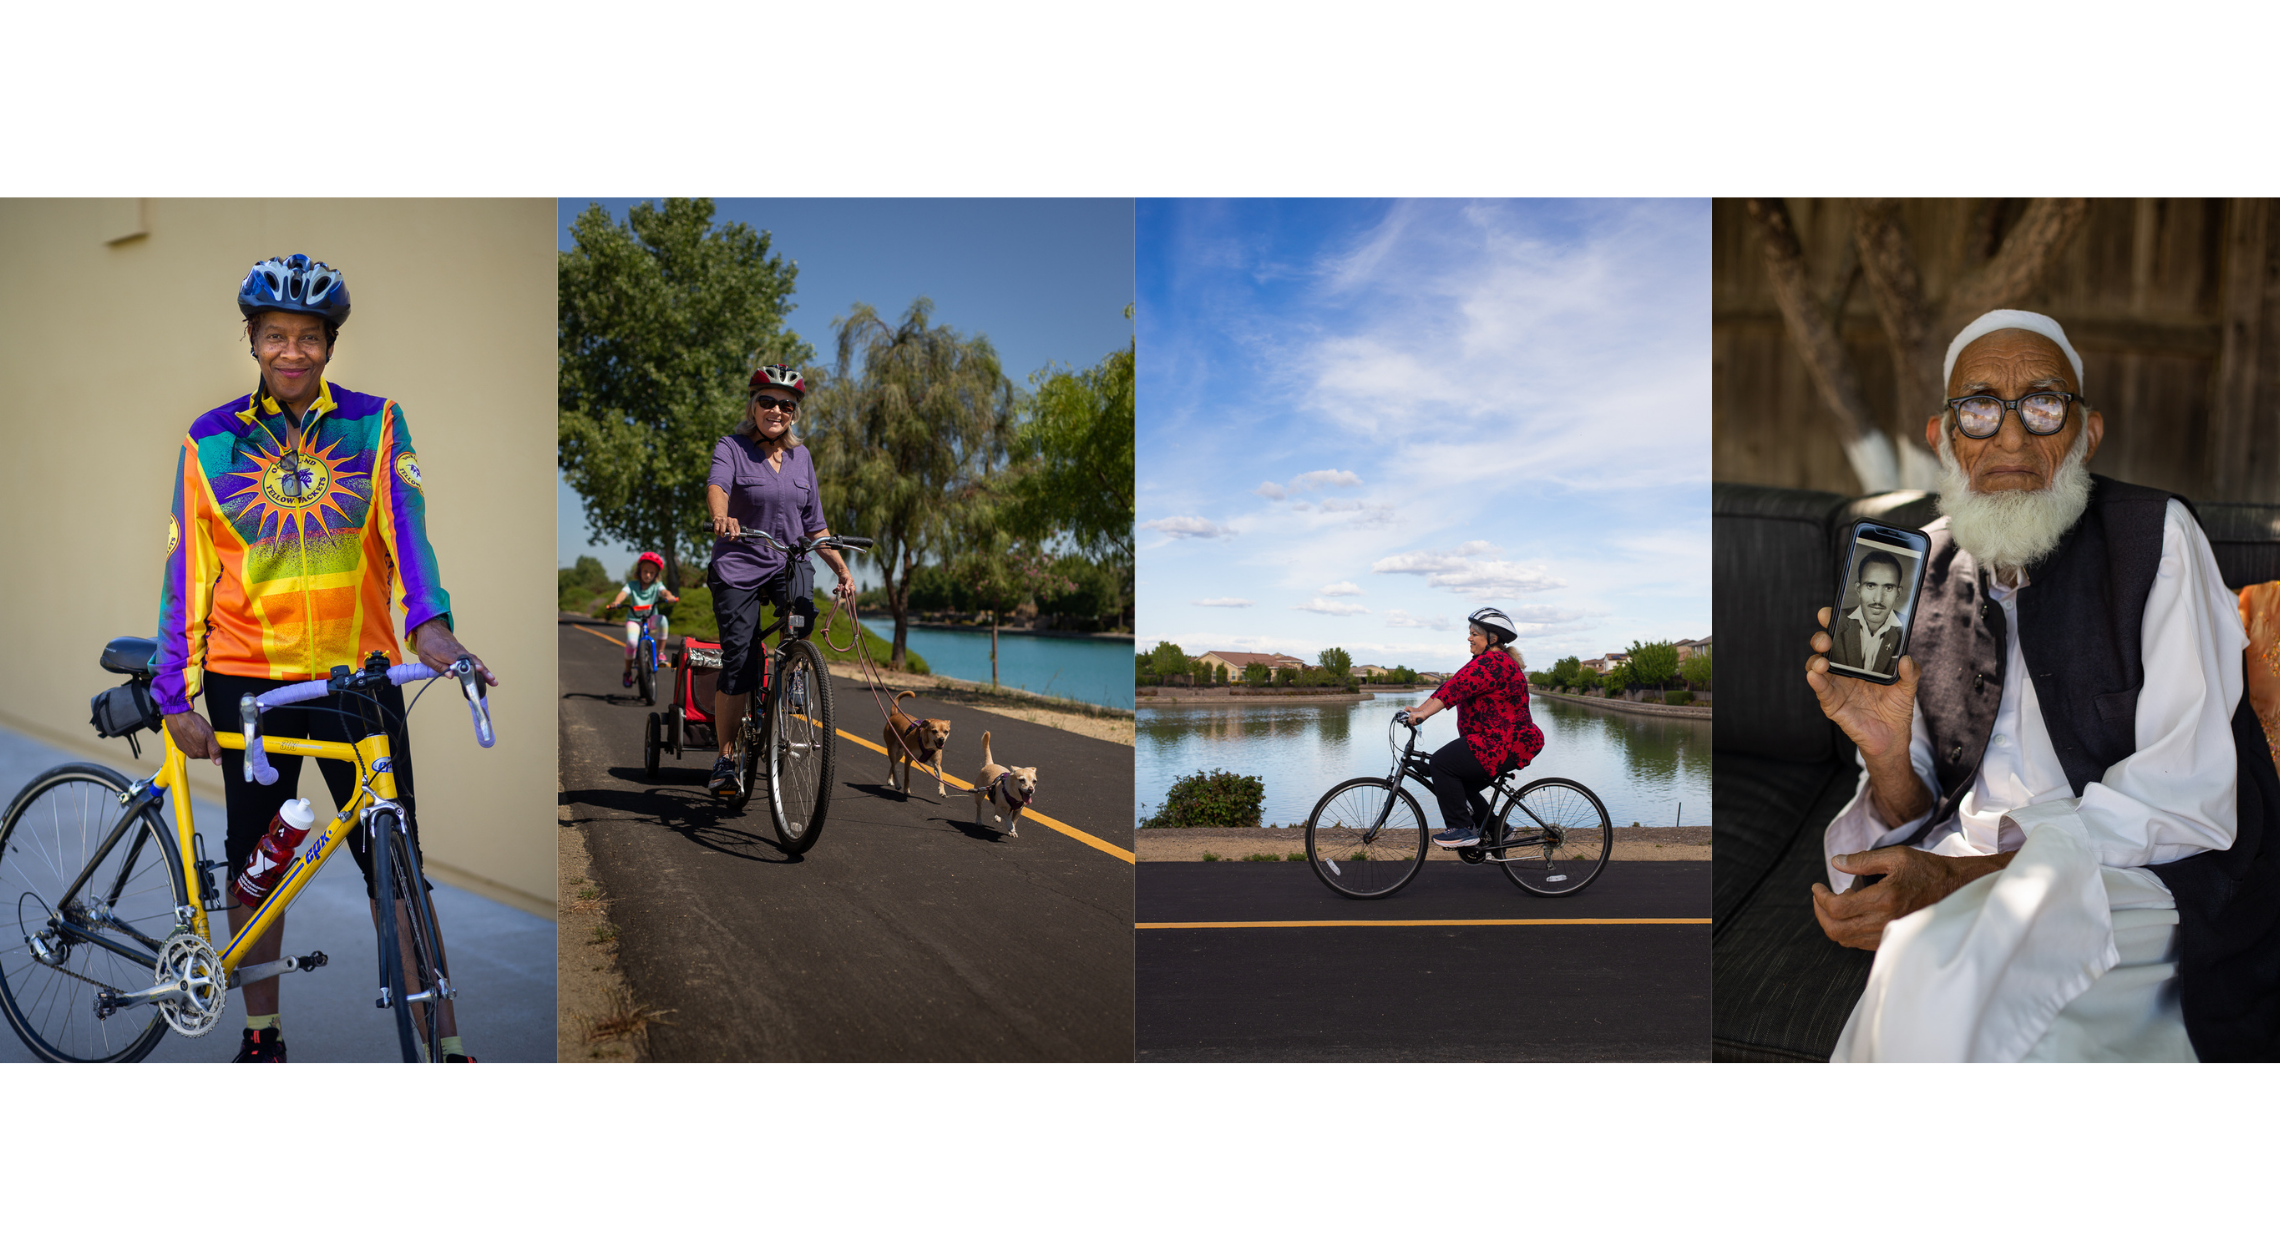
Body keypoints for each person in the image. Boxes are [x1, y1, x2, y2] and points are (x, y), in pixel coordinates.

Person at [1804, 308, 2280, 1061]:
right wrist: (1886, 751)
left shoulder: (2158, 536)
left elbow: (2184, 800)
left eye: (2044, 404)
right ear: (1943, 438)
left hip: (2137, 872)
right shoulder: (1917, 566)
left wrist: (1962, 880)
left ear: (2086, 434)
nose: (2011, 438)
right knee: (1928, 974)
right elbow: (1907, 806)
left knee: (1938, 973)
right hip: (1967, 853)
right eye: (1980, 407)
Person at [153, 254, 498, 1062]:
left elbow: (407, 531)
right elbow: (186, 572)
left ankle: (447, 1046)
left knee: (395, 866)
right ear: (251, 339)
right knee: (256, 868)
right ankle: (262, 1035)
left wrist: (431, 625)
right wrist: (174, 694)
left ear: (331, 345)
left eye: (309, 337)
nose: (292, 352)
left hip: (358, 677)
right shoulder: (210, 440)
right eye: (275, 335)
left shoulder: (376, 423)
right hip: (248, 682)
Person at [704, 365, 857, 796]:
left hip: (786, 560)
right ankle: (725, 759)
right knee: (739, 660)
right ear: (753, 406)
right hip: (738, 562)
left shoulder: (801, 457)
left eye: (786, 405)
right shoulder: (731, 447)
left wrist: (841, 568)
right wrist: (721, 516)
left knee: (802, 611)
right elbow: (718, 486)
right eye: (767, 401)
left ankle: (792, 674)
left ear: (794, 413)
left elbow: (815, 525)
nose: (776, 410)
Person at [1396, 607, 1545, 848]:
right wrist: (1418, 710)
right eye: (1470, 633)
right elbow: (1451, 686)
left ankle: (1462, 829)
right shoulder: (1484, 662)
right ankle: (1498, 829)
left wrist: (1423, 714)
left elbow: (1456, 689)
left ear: (1492, 638)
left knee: (1441, 763)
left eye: (1474, 634)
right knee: (1456, 785)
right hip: (1498, 741)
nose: (1469, 638)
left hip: (1502, 742)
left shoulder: (1494, 663)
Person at [604, 550, 679, 688]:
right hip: (634, 620)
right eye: (645, 571)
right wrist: (616, 602)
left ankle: (661, 653)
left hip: (650, 619)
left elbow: (663, 591)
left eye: (652, 572)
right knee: (632, 643)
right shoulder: (632, 585)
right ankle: (627, 672)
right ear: (639, 571)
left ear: (656, 574)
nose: (648, 575)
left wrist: (668, 596)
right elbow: (623, 594)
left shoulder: (657, 585)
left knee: (663, 620)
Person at [1827, 551, 1905, 675]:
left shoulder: (1910, 629)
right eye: (1870, 586)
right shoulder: (1837, 621)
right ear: (1858, 589)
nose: (1878, 599)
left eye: (1888, 588)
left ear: (1898, 593)